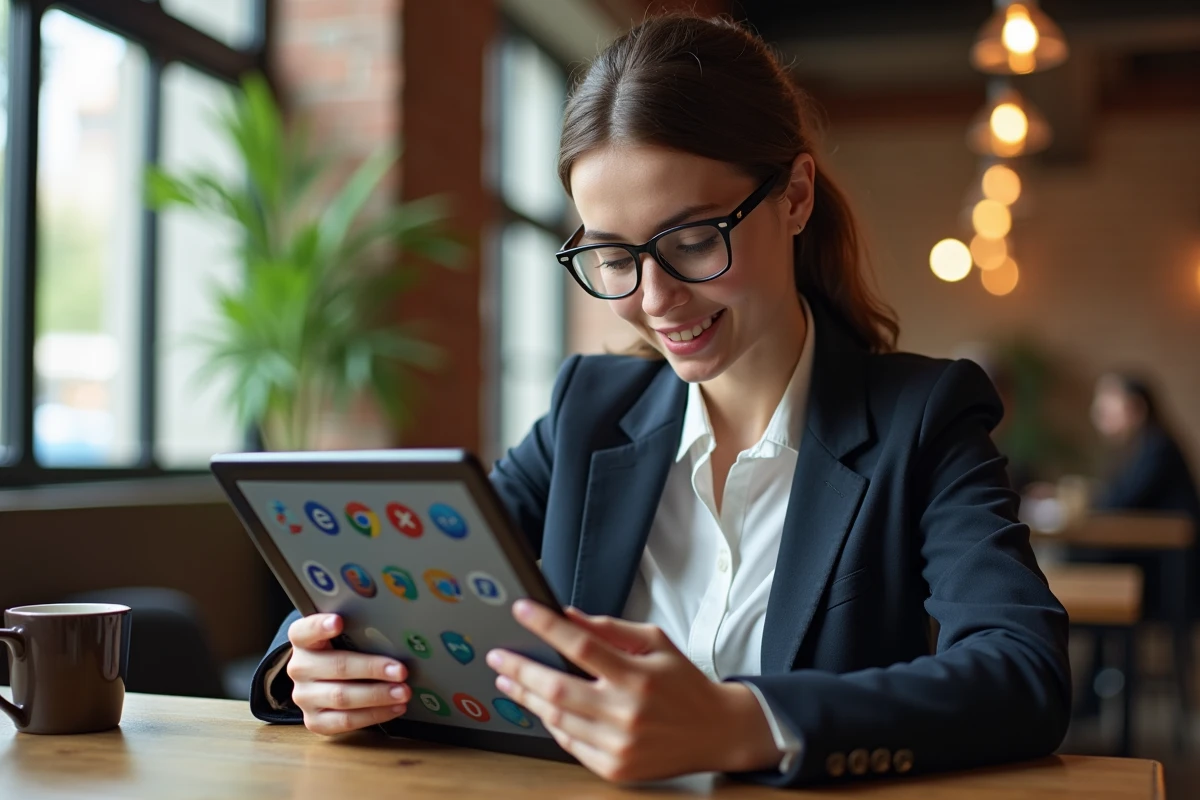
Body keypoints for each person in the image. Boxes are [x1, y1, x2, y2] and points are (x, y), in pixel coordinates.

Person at [249, 14, 1070, 787]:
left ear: (794, 197)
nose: (654, 298)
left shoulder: (920, 420)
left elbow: (1022, 669)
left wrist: (743, 721)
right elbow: (422, 590)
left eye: (691, 241)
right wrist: (312, 665)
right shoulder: (587, 410)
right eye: (611, 256)